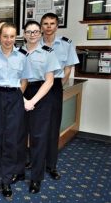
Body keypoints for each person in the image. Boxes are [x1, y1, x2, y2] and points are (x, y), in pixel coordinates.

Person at [0, 23, 30, 199]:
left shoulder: (23, 56)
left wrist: (15, 97)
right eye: (5, 36)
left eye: (12, 36)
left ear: (16, 37)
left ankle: (6, 181)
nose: (8, 40)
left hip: (14, 98)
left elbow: (24, 81)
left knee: (11, 142)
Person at [13, 20, 60, 194]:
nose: (32, 35)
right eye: (28, 31)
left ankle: (36, 178)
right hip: (20, 93)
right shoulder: (16, 52)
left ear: (40, 34)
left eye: (35, 32)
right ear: (24, 34)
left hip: (41, 95)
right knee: (18, 136)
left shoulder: (48, 52)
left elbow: (49, 81)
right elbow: (13, 78)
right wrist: (23, 99)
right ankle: (18, 172)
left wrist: (32, 101)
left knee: (38, 139)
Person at [40, 13, 79, 180]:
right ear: (41, 26)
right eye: (45, 24)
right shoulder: (33, 42)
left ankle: (51, 165)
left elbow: (68, 68)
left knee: (53, 128)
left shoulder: (66, 44)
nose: (48, 27)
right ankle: (35, 160)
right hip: (36, 86)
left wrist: (58, 86)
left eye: (52, 23)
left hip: (55, 86)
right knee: (34, 127)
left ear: (57, 26)